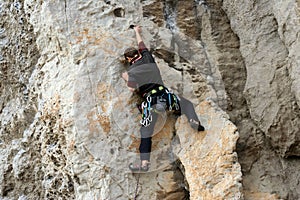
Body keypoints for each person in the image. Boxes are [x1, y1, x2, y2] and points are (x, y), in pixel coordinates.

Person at [122, 25, 205, 172]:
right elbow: (141, 45)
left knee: (146, 132)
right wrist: (137, 32)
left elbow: (131, 88)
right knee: (186, 104)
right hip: (165, 95)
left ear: (129, 59)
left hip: (150, 100)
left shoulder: (133, 71)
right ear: (138, 55)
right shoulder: (147, 57)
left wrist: (126, 76)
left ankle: (144, 164)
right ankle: (194, 121)